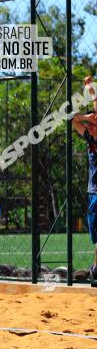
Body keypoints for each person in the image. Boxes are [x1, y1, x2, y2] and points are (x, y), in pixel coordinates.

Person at [71, 75, 97, 283]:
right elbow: (73, 119)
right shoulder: (89, 138)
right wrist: (88, 118)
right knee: (95, 237)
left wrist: (90, 90)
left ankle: (96, 269)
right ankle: (96, 268)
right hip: (94, 192)